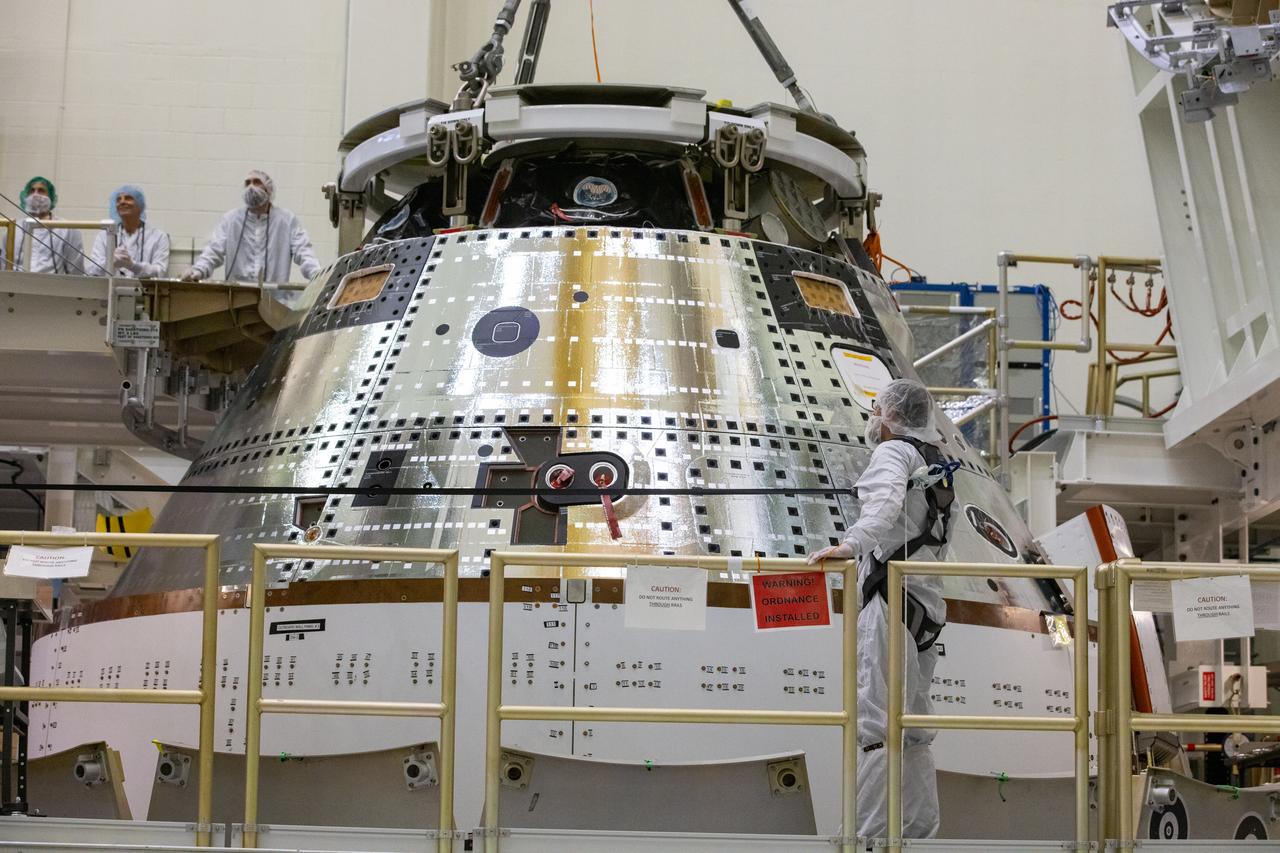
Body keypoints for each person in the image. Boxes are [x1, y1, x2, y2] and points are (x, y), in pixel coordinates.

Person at [807, 378, 956, 841]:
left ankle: (863, 838)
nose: (872, 419)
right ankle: (918, 833)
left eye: (875, 410)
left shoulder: (893, 454)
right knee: (912, 729)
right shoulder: (936, 461)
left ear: (890, 417)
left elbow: (884, 506)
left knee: (875, 725)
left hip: (891, 599)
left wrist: (849, 545)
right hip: (926, 605)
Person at [181, 170, 320, 283]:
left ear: (269, 189)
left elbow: (303, 250)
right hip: (236, 298)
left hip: (275, 299)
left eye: (257, 182)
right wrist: (197, 271)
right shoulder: (231, 219)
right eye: (247, 183)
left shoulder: (286, 220)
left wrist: (317, 275)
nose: (251, 187)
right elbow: (213, 251)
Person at [87, 185, 170, 278]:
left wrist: (134, 266)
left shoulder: (158, 237)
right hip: (110, 290)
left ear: (140, 205)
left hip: (144, 291)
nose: (122, 202)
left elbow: (161, 272)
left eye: (128, 198)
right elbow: (92, 270)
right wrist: (110, 262)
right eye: (118, 199)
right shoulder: (105, 236)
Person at [14, 176, 84, 275]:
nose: (35, 195)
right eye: (32, 191)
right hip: (16, 286)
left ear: (51, 197)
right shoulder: (14, 227)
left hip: (53, 287)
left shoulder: (66, 228)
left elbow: (75, 269)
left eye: (41, 190)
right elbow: (5, 265)